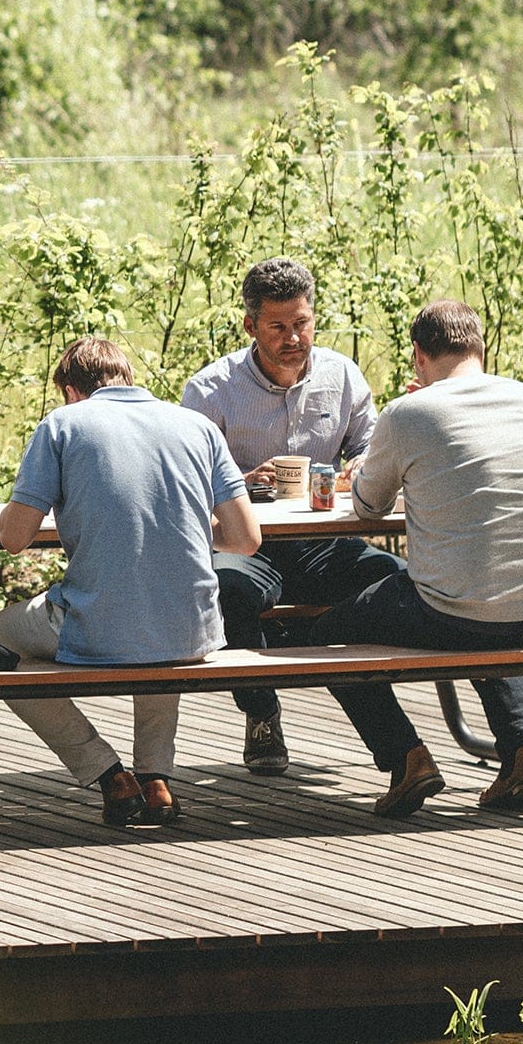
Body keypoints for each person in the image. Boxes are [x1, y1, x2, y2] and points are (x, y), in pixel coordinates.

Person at [0, 334, 259, 828]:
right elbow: (245, 539)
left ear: (71, 391)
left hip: (99, 623)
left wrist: (13, 507)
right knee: (161, 608)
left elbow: (14, 538)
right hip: (192, 628)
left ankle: (106, 773)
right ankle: (155, 780)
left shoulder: (64, 424)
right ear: (128, 378)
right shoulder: (197, 425)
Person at [320, 299, 523, 819]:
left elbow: (369, 506)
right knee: (486, 602)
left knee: (325, 635)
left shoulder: (408, 413)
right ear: (481, 347)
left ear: (419, 355)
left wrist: (391, 443)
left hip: (457, 613)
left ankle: (407, 758)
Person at [179, 257, 397, 775]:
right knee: (228, 588)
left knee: (399, 581)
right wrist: (243, 480)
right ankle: (261, 711)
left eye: (302, 323)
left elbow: (370, 447)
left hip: (325, 542)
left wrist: (361, 466)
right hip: (246, 543)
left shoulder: (341, 375)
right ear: (250, 326)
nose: (293, 338)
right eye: (277, 327)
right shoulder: (211, 390)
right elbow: (185, 480)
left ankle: (404, 748)